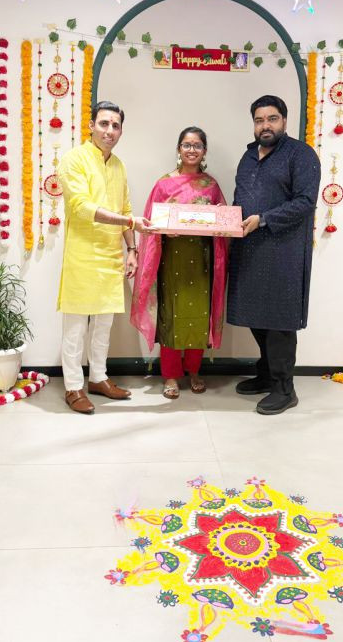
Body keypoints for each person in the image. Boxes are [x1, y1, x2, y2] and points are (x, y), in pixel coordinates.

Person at [227, 95, 320, 415]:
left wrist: (264, 219)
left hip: (284, 251)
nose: (265, 125)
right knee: (255, 314)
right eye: (259, 120)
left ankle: (284, 388)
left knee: (279, 320)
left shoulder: (301, 154)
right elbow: (241, 196)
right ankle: (266, 373)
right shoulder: (249, 156)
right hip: (249, 249)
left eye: (272, 118)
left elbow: (305, 202)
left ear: (284, 120)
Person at [57, 100, 151, 414]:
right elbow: (81, 207)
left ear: (121, 131)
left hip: (112, 256)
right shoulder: (74, 159)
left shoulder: (119, 166)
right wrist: (129, 222)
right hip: (82, 254)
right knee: (75, 327)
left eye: (115, 125)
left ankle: (98, 378)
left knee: (104, 324)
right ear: (91, 126)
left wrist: (132, 250)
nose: (109, 131)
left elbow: (126, 209)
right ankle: (73, 387)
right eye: (104, 123)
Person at [131, 127, 228, 399]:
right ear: (178, 149)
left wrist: (220, 217)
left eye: (197, 145)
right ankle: (171, 375)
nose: (191, 150)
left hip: (202, 261)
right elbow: (150, 223)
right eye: (186, 145)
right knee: (171, 315)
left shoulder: (211, 185)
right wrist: (164, 230)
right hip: (171, 260)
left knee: (199, 316)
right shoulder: (163, 184)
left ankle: (194, 371)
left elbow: (223, 224)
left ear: (204, 151)